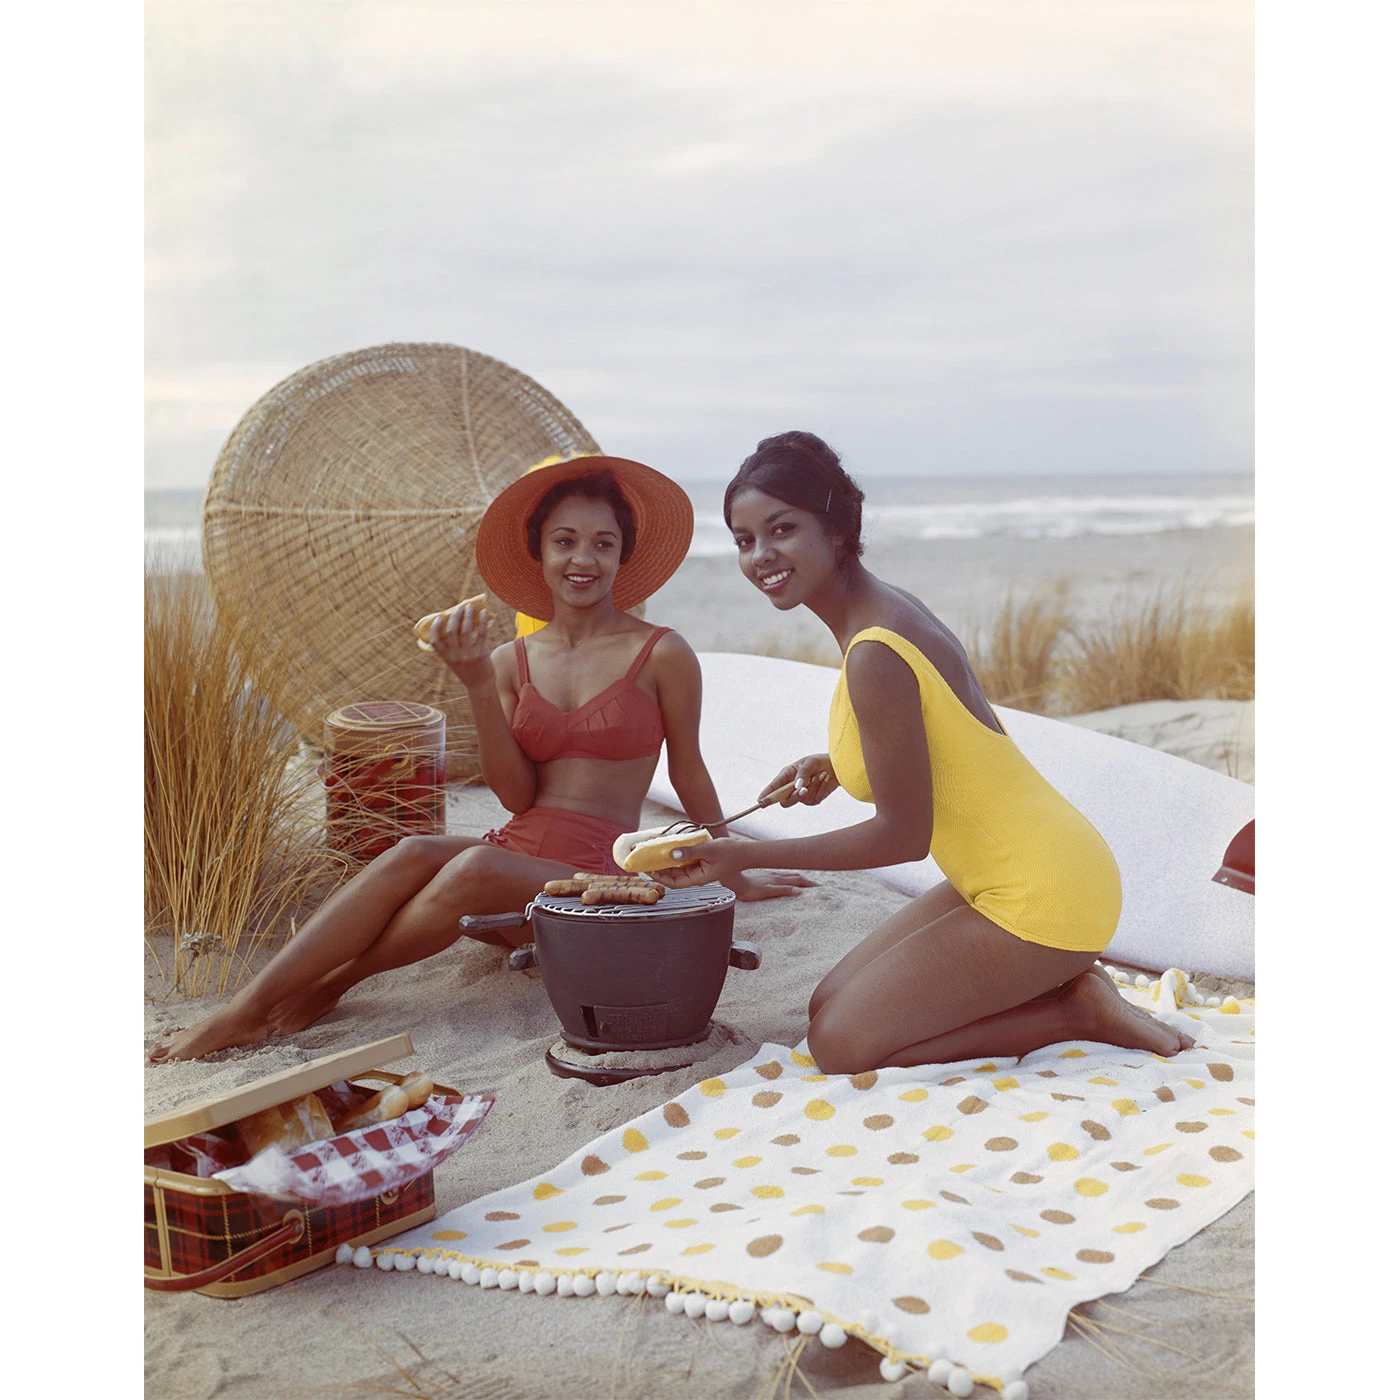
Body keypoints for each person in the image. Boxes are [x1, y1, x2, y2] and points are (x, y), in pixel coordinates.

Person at [150, 456, 809, 1063]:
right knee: (412, 853)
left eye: (603, 543)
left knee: (470, 864)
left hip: (599, 883)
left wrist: (736, 867)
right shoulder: (506, 662)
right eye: (566, 540)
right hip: (506, 878)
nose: (585, 558)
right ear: (539, 552)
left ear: (622, 555)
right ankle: (249, 1006)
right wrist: (472, 683)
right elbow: (518, 799)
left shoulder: (663, 653)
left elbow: (689, 768)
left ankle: (324, 987)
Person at [652, 431, 1194, 1075]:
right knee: (827, 1004)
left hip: (1044, 893)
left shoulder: (876, 650)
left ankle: (1075, 1010)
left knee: (839, 1046)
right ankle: (1059, 987)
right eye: (744, 540)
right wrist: (835, 761)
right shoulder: (881, 612)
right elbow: (945, 730)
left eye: (782, 529)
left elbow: (902, 838)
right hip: (998, 874)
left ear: (838, 529)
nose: (761, 555)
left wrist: (738, 855)